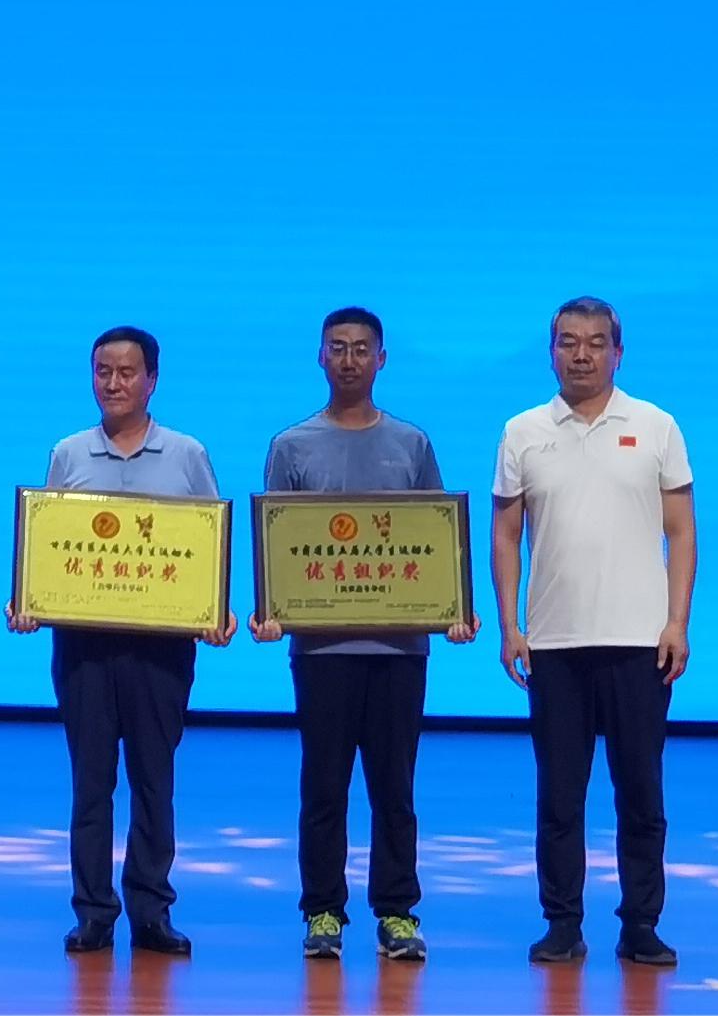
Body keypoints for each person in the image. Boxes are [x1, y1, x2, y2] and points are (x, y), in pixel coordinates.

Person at [250, 307, 473, 961]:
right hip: (320, 650)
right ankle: (322, 909)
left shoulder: (411, 443)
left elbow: (436, 540)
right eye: (337, 347)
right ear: (320, 357)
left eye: (360, 348)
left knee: (393, 788)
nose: (348, 359)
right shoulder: (291, 446)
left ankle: (397, 910)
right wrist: (270, 610)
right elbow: (279, 549)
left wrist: (453, 609)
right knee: (323, 785)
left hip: (400, 650)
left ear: (381, 359)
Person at [8, 326, 232, 956]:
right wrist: (28, 600)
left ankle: (151, 911)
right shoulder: (68, 453)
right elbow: (49, 548)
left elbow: (207, 547)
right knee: (91, 783)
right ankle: (93, 913)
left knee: (154, 782)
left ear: (152, 380)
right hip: (84, 649)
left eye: (127, 372)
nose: (113, 383)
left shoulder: (186, 454)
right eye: (103, 371)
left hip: (161, 652)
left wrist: (215, 611)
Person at [492, 296, 693, 969]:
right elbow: (505, 533)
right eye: (568, 342)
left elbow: (680, 530)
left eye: (595, 342)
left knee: (640, 794)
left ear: (617, 352)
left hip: (640, 643)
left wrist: (676, 621)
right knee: (559, 796)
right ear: (551, 351)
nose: (581, 354)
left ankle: (641, 924)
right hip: (554, 643)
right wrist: (510, 626)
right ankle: (561, 923)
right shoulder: (522, 431)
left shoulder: (656, 425)